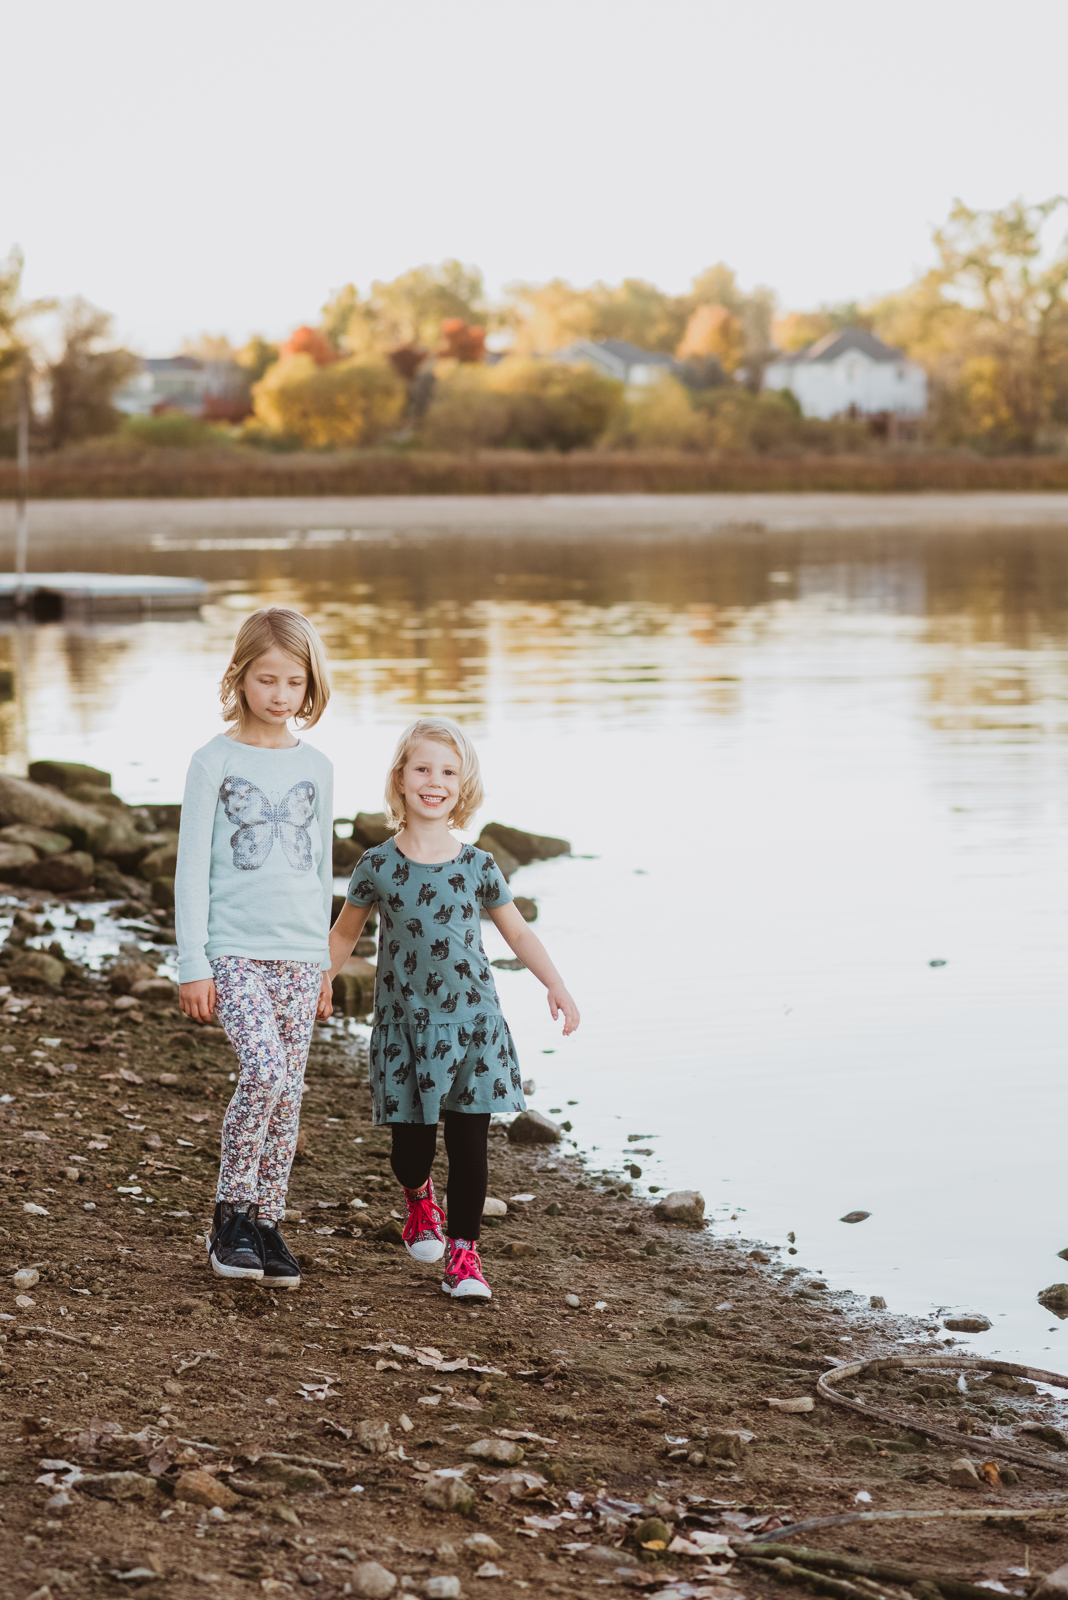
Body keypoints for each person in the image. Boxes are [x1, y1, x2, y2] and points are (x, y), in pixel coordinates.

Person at [326, 716, 579, 1300]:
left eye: (447, 771)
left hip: (474, 1026)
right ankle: (419, 1200)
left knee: (470, 1143)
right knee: (410, 1149)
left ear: (462, 785)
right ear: (401, 778)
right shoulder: (377, 865)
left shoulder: (479, 866)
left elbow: (518, 935)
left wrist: (556, 985)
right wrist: (323, 979)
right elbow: (344, 935)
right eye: (423, 769)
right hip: (407, 1025)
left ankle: (464, 1257)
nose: (434, 781)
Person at [175, 607, 334, 1289]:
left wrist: (325, 962)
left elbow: (320, 868)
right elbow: (190, 869)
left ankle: (268, 1222)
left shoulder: (319, 767)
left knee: (291, 1093)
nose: (278, 695)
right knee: (265, 1073)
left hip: (300, 956)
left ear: (308, 686)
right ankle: (228, 1216)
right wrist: (192, 963)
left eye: (292, 682)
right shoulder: (213, 762)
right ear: (240, 679)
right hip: (233, 950)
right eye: (265, 679)